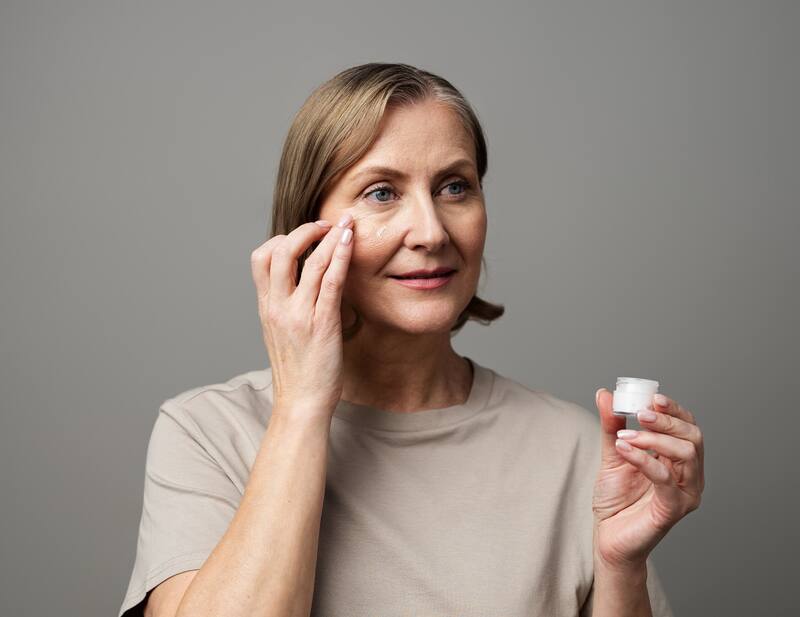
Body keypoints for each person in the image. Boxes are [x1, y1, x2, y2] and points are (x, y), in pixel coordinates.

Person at [118, 62, 704, 617]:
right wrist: (301, 407)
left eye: (454, 187)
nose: (429, 231)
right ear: (307, 228)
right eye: (381, 192)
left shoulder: (576, 451)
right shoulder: (205, 434)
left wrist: (619, 567)